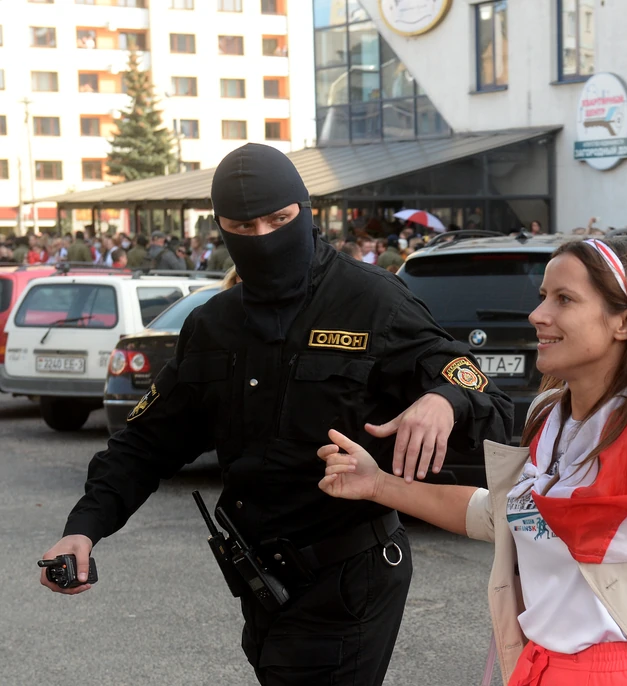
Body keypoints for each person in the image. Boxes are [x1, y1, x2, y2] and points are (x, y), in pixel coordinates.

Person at [315, 21, 627, 686]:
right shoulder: (547, 422)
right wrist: (377, 484)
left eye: (561, 300)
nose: (535, 315)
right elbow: (497, 516)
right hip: (533, 666)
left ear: (620, 321)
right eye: (542, 297)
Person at [38, 142, 514, 686]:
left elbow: (486, 400)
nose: (264, 237)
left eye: (279, 219)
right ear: (219, 227)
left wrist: (443, 400)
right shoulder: (214, 325)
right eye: (243, 226)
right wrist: (85, 529)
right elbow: (146, 442)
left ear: (305, 211)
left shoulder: (373, 300)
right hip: (262, 581)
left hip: (348, 579)